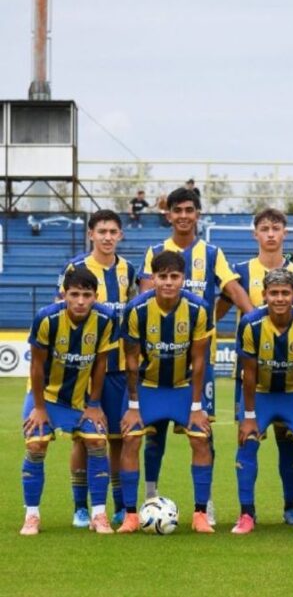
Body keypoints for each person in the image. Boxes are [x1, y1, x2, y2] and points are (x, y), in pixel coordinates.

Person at [139, 187, 254, 525]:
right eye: (178, 210)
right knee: (153, 433)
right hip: (159, 361)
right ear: (169, 215)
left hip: (198, 364)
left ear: (198, 214)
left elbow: (232, 291)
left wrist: (254, 320)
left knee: (202, 433)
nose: (184, 215)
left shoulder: (212, 253)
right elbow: (146, 296)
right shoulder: (156, 251)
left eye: (190, 209)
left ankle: (206, 503)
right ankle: (150, 496)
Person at [216, 208, 293, 525]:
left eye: (276, 228)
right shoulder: (239, 272)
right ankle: (247, 512)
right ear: (254, 234)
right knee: (247, 439)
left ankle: (291, 507)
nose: (271, 234)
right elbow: (217, 312)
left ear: (285, 233)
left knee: (291, 444)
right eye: (264, 228)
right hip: (252, 374)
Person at [116, 251, 214, 533]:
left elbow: (199, 361)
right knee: (131, 440)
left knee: (200, 440)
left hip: (183, 388)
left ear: (183, 278)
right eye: (162, 277)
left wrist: (197, 408)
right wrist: (133, 405)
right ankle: (131, 515)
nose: (168, 282)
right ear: (153, 278)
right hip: (147, 389)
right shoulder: (137, 309)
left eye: (174, 277)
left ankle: (200, 514)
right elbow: (131, 362)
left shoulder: (198, 308)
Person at [20, 268, 118, 535]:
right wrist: (39, 408)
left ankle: (99, 514)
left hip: (80, 400)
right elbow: (37, 367)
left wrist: (95, 404)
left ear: (96, 296)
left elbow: (100, 363)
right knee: (36, 445)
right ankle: (32, 516)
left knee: (98, 442)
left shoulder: (106, 319)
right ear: (64, 294)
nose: (81, 301)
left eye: (87, 295)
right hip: (46, 397)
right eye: (74, 294)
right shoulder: (46, 318)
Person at [58, 210, 139, 526]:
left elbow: (134, 315)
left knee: (118, 438)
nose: (107, 237)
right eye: (102, 231)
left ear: (120, 235)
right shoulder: (75, 268)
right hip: (83, 370)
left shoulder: (128, 271)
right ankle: (81, 507)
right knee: (83, 438)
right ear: (91, 233)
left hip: (118, 368)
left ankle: (119, 505)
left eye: (113, 231)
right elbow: (62, 312)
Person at [232, 269, 293, 535]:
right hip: (261, 394)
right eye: (274, 293)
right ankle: (247, 514)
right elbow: (248, 373)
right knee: (247, 443)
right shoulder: (250, 324)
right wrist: (248, 416)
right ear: (264, 295)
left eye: (285, 293)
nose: (280, 298)